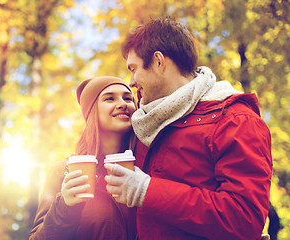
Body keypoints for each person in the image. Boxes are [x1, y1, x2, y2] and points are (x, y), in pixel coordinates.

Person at [104, 17, 273, 240]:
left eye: (134, 69)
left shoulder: (235, 120)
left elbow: (243, 219)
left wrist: (147, 191)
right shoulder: (147, 122)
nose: (132, 81)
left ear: (158, 62)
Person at [29, 76, 138, 240]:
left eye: (128, 98)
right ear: (92, 111)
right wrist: (65, 206)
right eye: (109, 98)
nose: (123, 103)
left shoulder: (147, 163)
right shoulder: (64, 171)